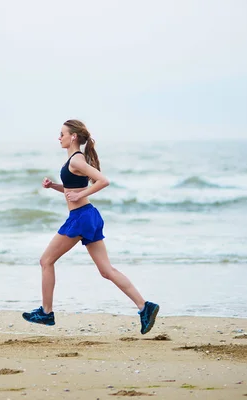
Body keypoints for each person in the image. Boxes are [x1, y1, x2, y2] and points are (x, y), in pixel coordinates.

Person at [22, 119, 160, 334]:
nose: (59, 138)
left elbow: (103, 181)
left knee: (46, 260)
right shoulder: (74, 159)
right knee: (107, 270)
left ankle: (46, 313)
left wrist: (80, 194)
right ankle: (145, 307)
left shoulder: (77, 160)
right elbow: (72, 190)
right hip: (88, 216)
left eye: (62, 134)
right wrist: (54, 187)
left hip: (80, 218)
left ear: (73, 137)